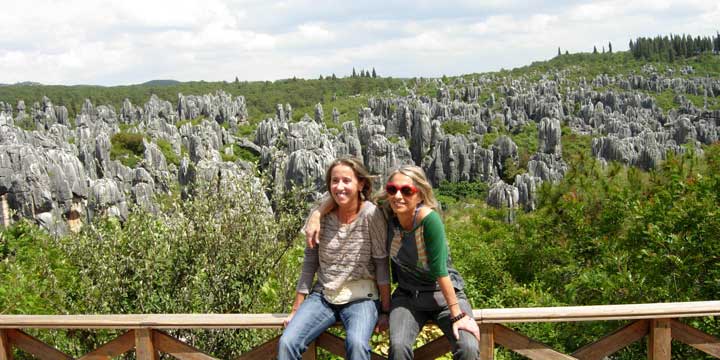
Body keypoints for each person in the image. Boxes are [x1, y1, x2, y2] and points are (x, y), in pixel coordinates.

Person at [306, 165, 480, 360]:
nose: (398, 196)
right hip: (408, 296)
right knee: (398, 348)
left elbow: (440, 272)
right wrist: (317, 214)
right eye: (392, 189)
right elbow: (348, 195)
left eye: (407, 190)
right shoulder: (387, 212)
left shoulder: (429, 220)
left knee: (468, 346)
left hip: (444, 297)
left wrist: (457, 316)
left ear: (420, 194)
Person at [278, 157, 391, 360]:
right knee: (287, 343)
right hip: (324, 296)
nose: (339, 187)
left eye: (346, 181)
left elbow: (382, 264)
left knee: (356, 345)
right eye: (334, 181)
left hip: (361, 297)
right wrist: (296, 308)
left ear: (361, 183)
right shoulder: (321, 216)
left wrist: (385, 309)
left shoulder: (372, 216)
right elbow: (310, 263)